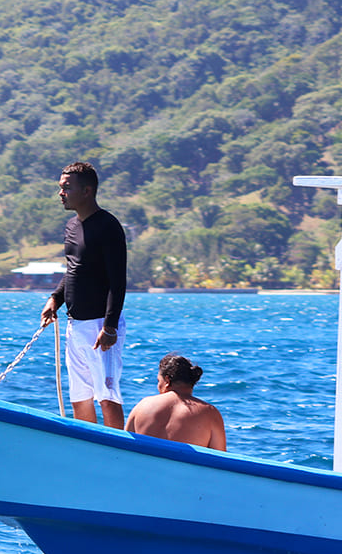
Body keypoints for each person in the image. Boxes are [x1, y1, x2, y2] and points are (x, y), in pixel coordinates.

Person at [40, 161, 128, 429]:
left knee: (107, 396)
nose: (61, 193)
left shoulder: (108, 226)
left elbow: (117, 280)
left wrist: (110, 326)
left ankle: (116, 453)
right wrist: (56, 298)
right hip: (75, 324)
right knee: (80, 397)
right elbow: (74, 270)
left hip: (101, 324)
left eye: (67, 188)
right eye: (60, 188)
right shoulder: (71, 227)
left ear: (87, 191)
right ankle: (88, 447)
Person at [125, 353, 226, 451]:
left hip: (142, 467)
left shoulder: (143, 405)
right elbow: (220, 459)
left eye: (158, 381)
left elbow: (125, 444)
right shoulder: (209, 413)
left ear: (167, 380)